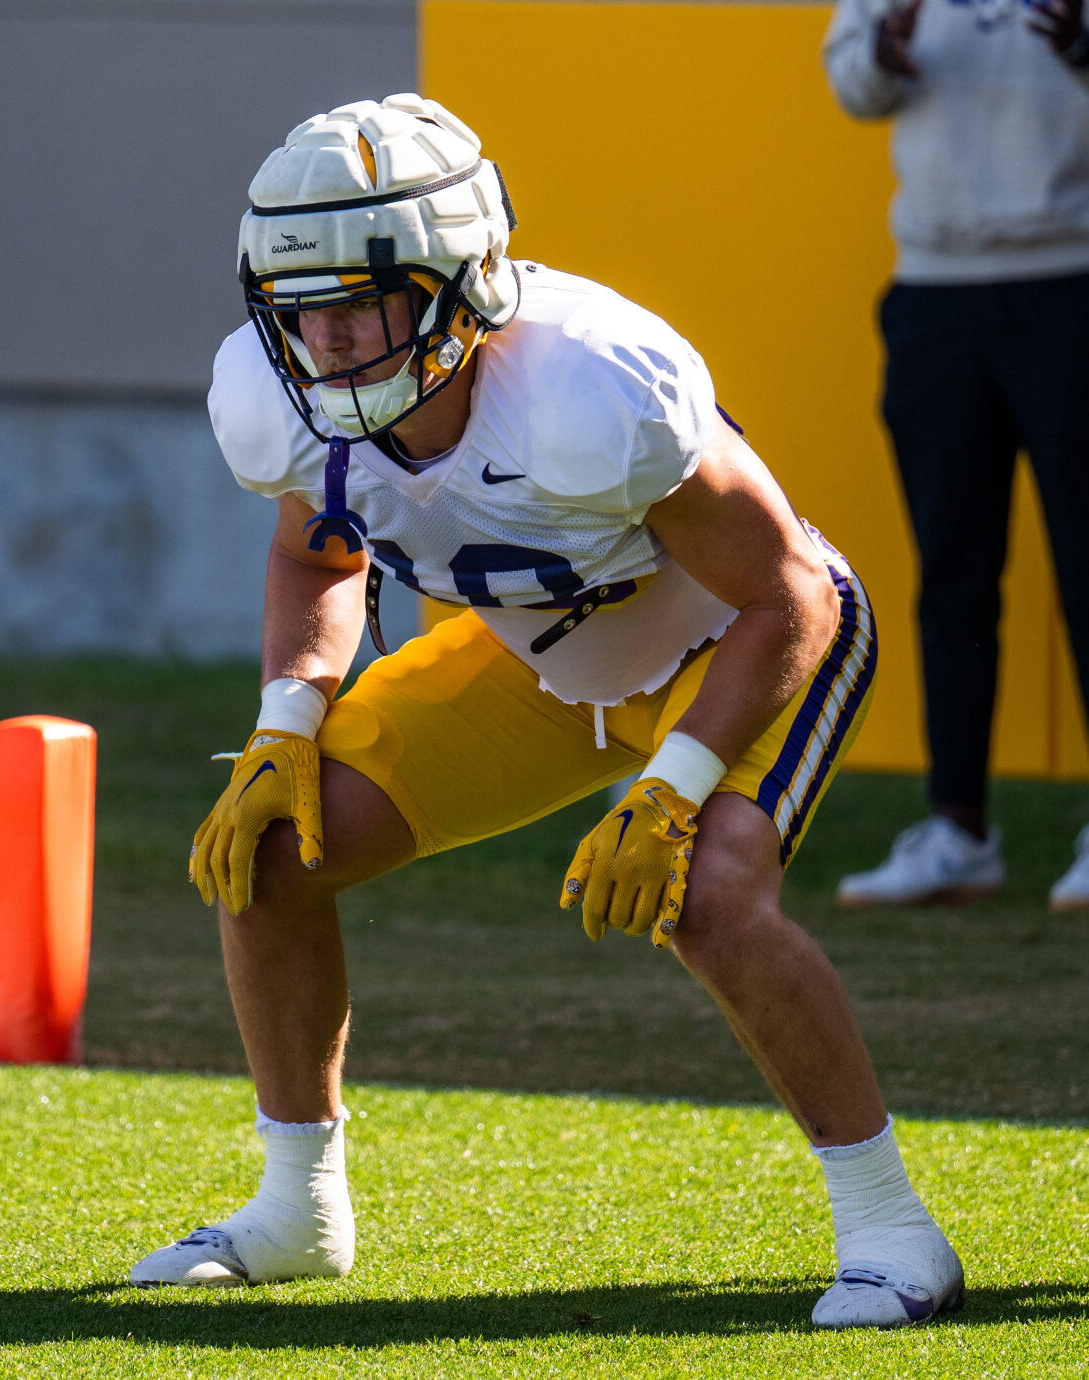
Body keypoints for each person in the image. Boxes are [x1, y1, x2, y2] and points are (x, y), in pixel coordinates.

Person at [128, 94, 963, 1329]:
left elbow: (787, 596)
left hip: (726, 644)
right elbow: (318, 559)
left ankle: (892, 1228)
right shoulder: (281, 398)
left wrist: (674, 788)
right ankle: (297, 1209)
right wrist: (284, 723)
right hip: (537, 662)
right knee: (271, 845)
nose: (332, 340)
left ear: (464, 283)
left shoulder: (588, 386)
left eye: (364, 301)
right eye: (303, 310)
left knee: (709, 894)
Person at [823, 0, 1089, 909]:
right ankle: (957, 831)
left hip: (1072, 278)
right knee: (952, 573)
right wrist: (884, 53)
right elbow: (850, 83)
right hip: (934, 290)